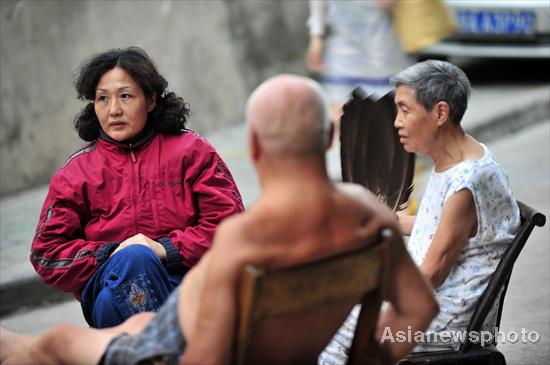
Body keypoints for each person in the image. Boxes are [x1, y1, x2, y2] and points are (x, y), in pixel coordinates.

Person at [0, 74, 438, 365]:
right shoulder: (371, 217)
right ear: (327, 138)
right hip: (171, 320)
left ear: (252, 145)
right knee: (131, 319)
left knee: (52, 344)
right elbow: (421, 307)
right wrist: (365, 356)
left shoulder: (244, 241)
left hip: (166, 348)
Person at [320, 60, 521, 362]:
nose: (396, 122)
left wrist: (372, 289)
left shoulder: (467, 181)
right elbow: (438, 227)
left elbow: (433, 273)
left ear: (440, 113)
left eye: (405, 110)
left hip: (448, 319)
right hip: (433, 301)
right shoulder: (457, 157)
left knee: (333, 328)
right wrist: (378, 218)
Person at [30, 47, 244, 328]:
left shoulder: (191, 152)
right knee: (131, 264)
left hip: (186, 281)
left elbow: (230, 226)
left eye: (125, 96)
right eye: (102, 99)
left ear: (152, 99)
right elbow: (47, 253)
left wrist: (165, 249)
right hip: (108, 280)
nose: (114, 110)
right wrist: (111, 255)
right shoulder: (75, 173)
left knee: (113, 301)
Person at [306, 0, 412, 129]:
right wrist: (316, 37)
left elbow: (387, 3)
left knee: (381, 123)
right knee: (340, 120)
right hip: (341, 52)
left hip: (378, 54)